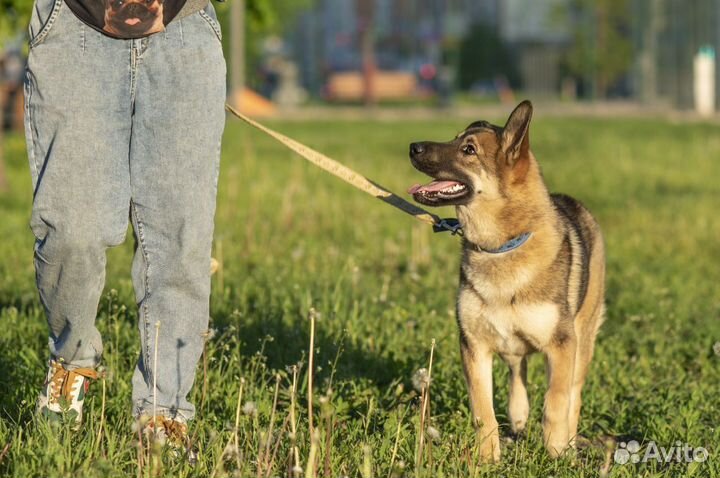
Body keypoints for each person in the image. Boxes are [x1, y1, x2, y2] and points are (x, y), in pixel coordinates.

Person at [24, 0, 226, 458]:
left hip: (183, 32)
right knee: (72, 228)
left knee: (179, 241)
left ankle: (165, 411)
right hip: (76, 29)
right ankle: (71, 361)